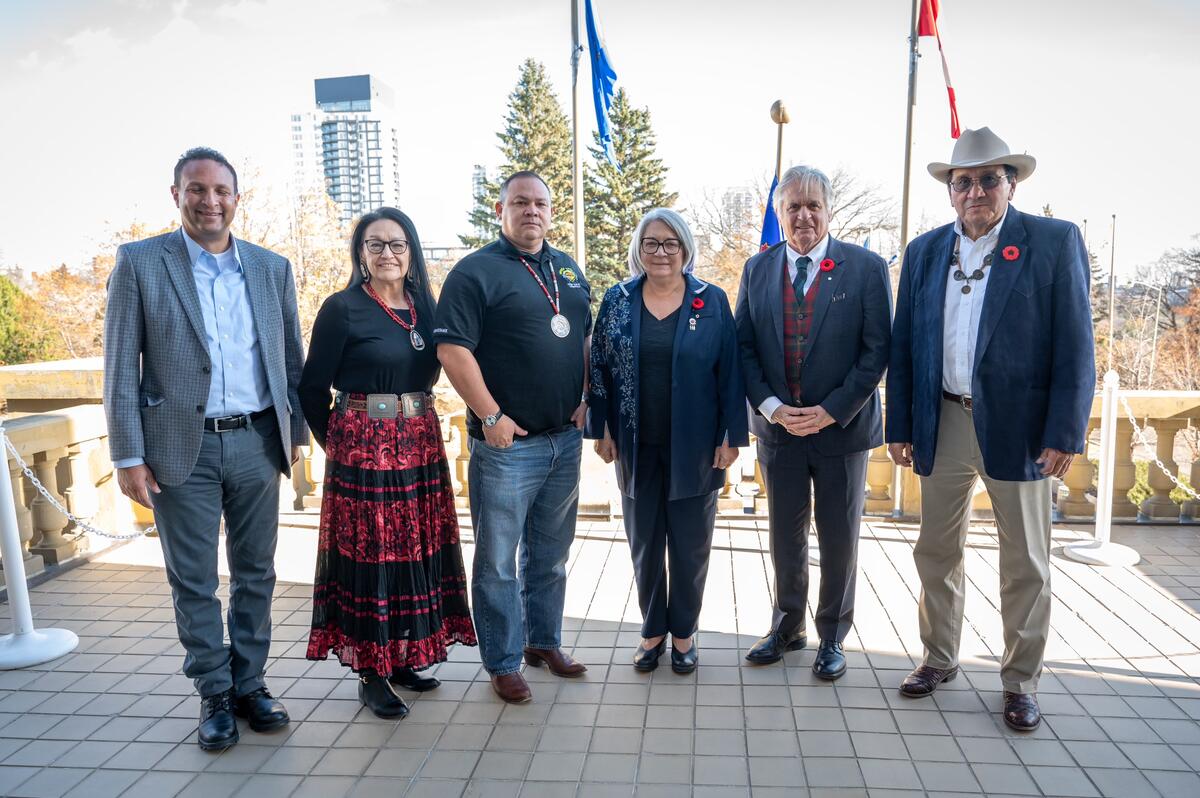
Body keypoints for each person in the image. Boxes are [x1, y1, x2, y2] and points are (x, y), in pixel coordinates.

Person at [886, 127, 1094, 731]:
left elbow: (1076, 345)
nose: (975, 190)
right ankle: (938, 658)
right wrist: (902, 421)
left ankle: (1020, 680)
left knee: (1026, 559)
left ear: (1011, 184)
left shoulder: (1053, 242)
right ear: (951, 192)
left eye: (987, 179)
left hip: (1023, 428)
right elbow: (905, 345)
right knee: (935, 550)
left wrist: (1065, 431)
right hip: (944, 418)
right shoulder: (925, 252)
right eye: (963, 181)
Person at [103, 147, 305, 750]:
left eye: (221, 191)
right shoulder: (140, 262)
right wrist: (127, 454)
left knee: (256, 574)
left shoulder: (271, 268)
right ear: (177, 195)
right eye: (197, 189)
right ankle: (213, 692)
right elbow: (119, 369)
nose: (210, 201)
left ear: (237, 199)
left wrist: (295, 435)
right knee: (193, 580)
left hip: (257, 441)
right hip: (176, 449)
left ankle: (250, 683)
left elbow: (290, 359)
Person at [299, 207, 476, 719]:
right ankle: (371, 672)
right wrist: (340, 447)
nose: (387, 253)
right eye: (375, 244)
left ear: (412, 251)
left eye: (397, 244)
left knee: (412, 551)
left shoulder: (427, 306)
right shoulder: (342, 308)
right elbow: (312, 389)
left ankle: (401, 658)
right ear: (361, 254)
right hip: (362, 445)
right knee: (373, 556)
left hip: (419, 440)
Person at [435, 171, 591, 703]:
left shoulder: (567, 268)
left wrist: (587, 397)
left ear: (551, 210)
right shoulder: (475, 272)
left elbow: (585, 339)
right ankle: (502, 661)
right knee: (499, 560)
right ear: (500, 209)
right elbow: (453, 351)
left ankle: (542, 642)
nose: (532, 211)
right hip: (507, 448)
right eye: (520, 202)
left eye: (541, 203)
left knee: (549, 555)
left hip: (563, 441)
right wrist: (491, 415)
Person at [735, 165, 892, 680]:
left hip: (842, 432)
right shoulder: (756, 271)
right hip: (778, 431)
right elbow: (744, 350)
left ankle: (832, 636)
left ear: (828, 210)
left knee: (839, 536)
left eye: (812, 205)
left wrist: (830, 411)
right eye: (793, 207)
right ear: (780, 214)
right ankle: (787, 626)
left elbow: (876, 353)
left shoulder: (865, 268)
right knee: (785, 535)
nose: (803, 215)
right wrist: (773, 407)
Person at [586, 209, 747, 674]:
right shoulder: (617, 300)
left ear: (685, 250)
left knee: (691, 545)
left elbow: (730, 372)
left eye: (670, 243)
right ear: (639, 249)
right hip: (636, 444)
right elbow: (598, 366)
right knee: (645, 542)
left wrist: (731, 437)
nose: (660, 252)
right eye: (651, 243)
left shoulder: (711, 300)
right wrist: (602, 427)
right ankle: (652, 629)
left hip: (698, 447)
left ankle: (684, 632)